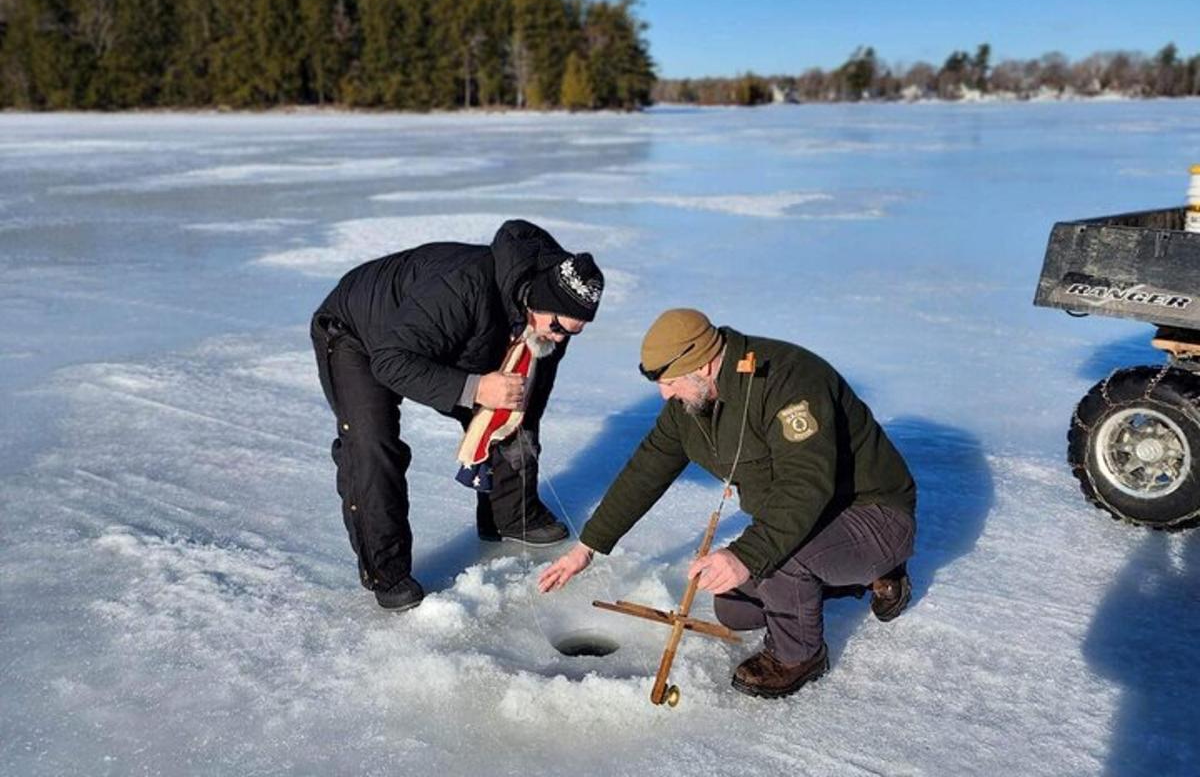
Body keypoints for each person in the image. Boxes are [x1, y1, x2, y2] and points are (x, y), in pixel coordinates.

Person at [539, 308, 915, 699]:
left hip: (872, 514)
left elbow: (805, 485)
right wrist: (588, 547)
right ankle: (838, 576)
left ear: (701, 365)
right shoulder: (691, 406)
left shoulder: (788, 381)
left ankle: (800, 655)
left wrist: (746, 555)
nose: (664, 394)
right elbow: (645, 470)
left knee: (779, 560)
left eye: (668, 382)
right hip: (805, 521)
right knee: (734, 608)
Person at [312, 219, 603, 612]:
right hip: (358, 337)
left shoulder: (546, 323)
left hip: (447, 342)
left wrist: (498, 404)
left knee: (513, 412)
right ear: (536, 298)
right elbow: (390, 362)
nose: (561, 338)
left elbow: (525, 410)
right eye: (557, 326)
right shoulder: (463, 288)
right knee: (373, 445)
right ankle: (387, 571)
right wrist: (476, 388)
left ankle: (510, 515)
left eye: (574, 332)